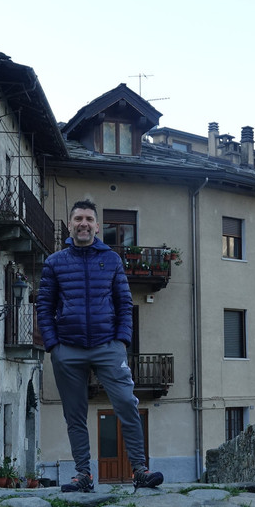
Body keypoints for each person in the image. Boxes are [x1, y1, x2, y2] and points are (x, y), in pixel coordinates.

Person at [36, 199, 163, 492]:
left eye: (89, 219)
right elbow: (44, 305)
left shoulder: (112, 260)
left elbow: (124, 303)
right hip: (67, 348)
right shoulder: (55, 262)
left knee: (127, 405)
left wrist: (121, 341)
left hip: (108, 346)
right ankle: (84, 475)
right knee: (74, 414)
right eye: (78, 218)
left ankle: (140, 471)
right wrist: (54, 345)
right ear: (70, 224)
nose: (84, 224)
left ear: (97, 225)